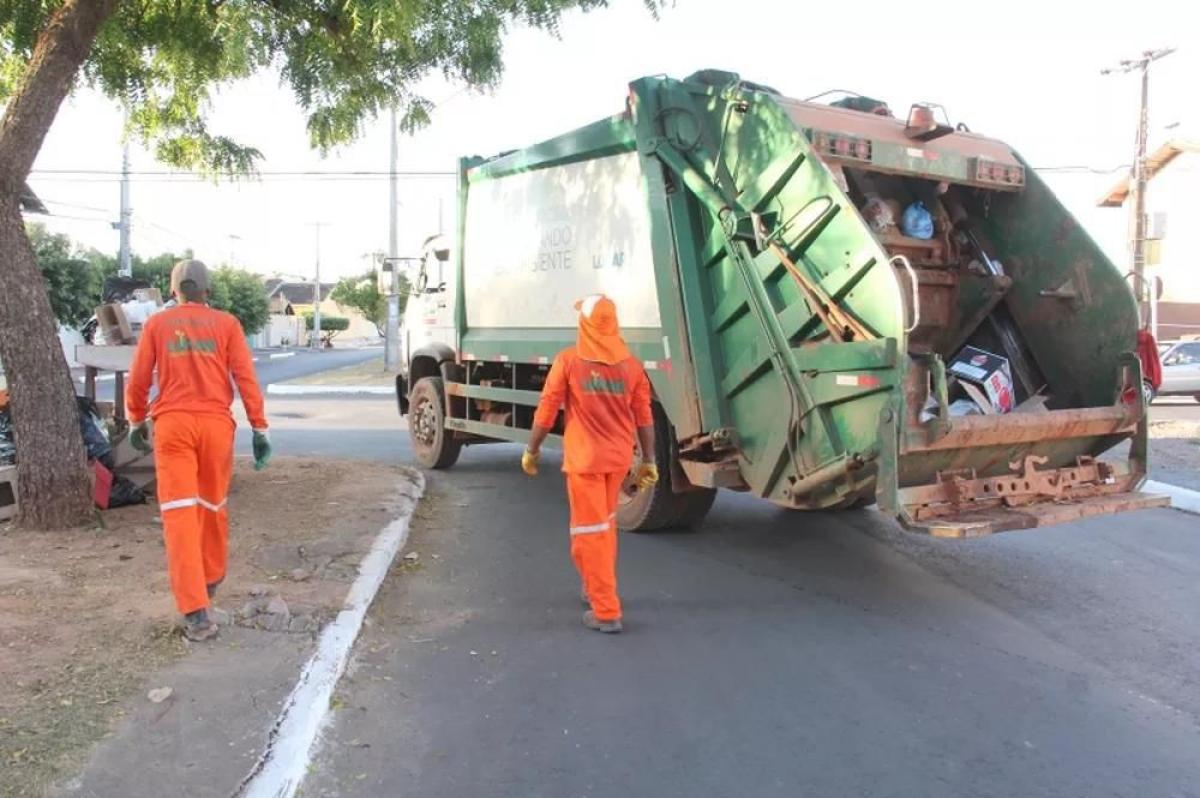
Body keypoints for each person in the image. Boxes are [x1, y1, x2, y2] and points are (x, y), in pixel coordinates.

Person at [126, 260, 272, 641]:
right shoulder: (227, 325)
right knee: (211, 508)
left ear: (174, 291)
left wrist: (135, 420)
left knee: (179, 515)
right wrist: (259, 427)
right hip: (214, 428)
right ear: (207, 291)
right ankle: (210, 582)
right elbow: (245, 378)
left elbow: (139, 377)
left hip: (173, 427)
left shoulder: (158, 325)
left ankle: (195, 613)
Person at [522, 294, 658, 633]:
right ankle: (593, 585)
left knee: (589, 534)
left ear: (584, 324)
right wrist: (649, 461)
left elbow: (547, 409)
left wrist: (532, 449)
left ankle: (606, 611)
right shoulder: (631, 366)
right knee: (603, 528)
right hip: (617, 461)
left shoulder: (569, 362)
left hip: (585, 462)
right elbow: (644, 417)